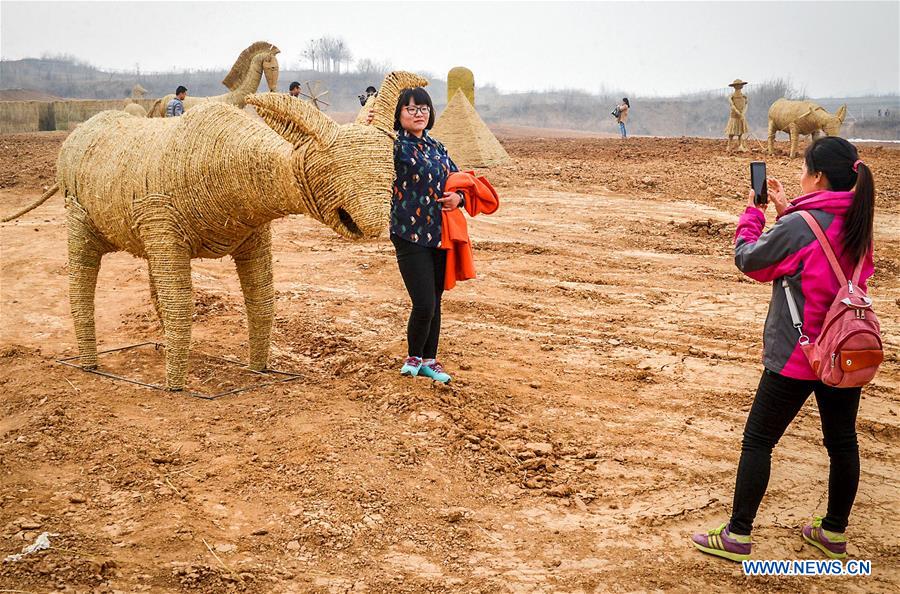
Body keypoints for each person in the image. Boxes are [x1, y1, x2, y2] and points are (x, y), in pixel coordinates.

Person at [691, 136, 876, 562]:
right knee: (842, 442)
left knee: (758, 440)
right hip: (843, 350)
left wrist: (752, 215)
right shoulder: (859, 217)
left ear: (817, 176)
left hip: (797, 354)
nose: (799, 175)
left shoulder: (800, 225)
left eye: (803, 169)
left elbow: (750, 260)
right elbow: (831, 260)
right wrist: (789, 213)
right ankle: (832, 532)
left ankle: (737, 535)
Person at [389, 87, 463, 384]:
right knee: (424, 303)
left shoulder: (438, 147)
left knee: (435, 298)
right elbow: (364, 152)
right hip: (408, 232)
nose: (418, 114)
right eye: (411, 109)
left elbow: (459, 181)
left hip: (439, 233)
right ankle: (414, 358)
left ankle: (430, 360)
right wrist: (370, 123)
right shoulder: (394, 147)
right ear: (399, 114)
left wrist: (459, 198)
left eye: (423, 108)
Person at [725, 79, 750, 152]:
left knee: (740, 133)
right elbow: (732, 106)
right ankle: (729, 146)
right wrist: (738, 113)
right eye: (738, 85)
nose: (740, 86)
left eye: (741, 84)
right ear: (735, 86)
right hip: (734, 116)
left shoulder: (744, 97)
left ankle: (740, 146)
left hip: (741, 117)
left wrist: (743, 113)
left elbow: (746, 105)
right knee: (731, 133)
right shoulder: (731, 97)